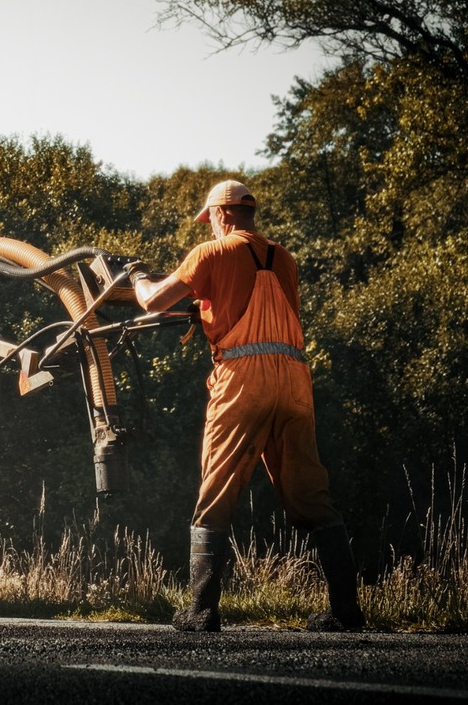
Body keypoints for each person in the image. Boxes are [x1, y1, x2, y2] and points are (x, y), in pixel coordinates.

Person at [125, 180, 364, 633]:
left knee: (216, 491)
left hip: (242, 378)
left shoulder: (210, 253)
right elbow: (258, 306)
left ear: (220, 214)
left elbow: (153, 301)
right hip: (294, 378)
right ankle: (346, 610)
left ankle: (200, 609)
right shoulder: (284, 257)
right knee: (311, 494)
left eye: (210, 219)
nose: (209, 225)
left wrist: (137, 277)